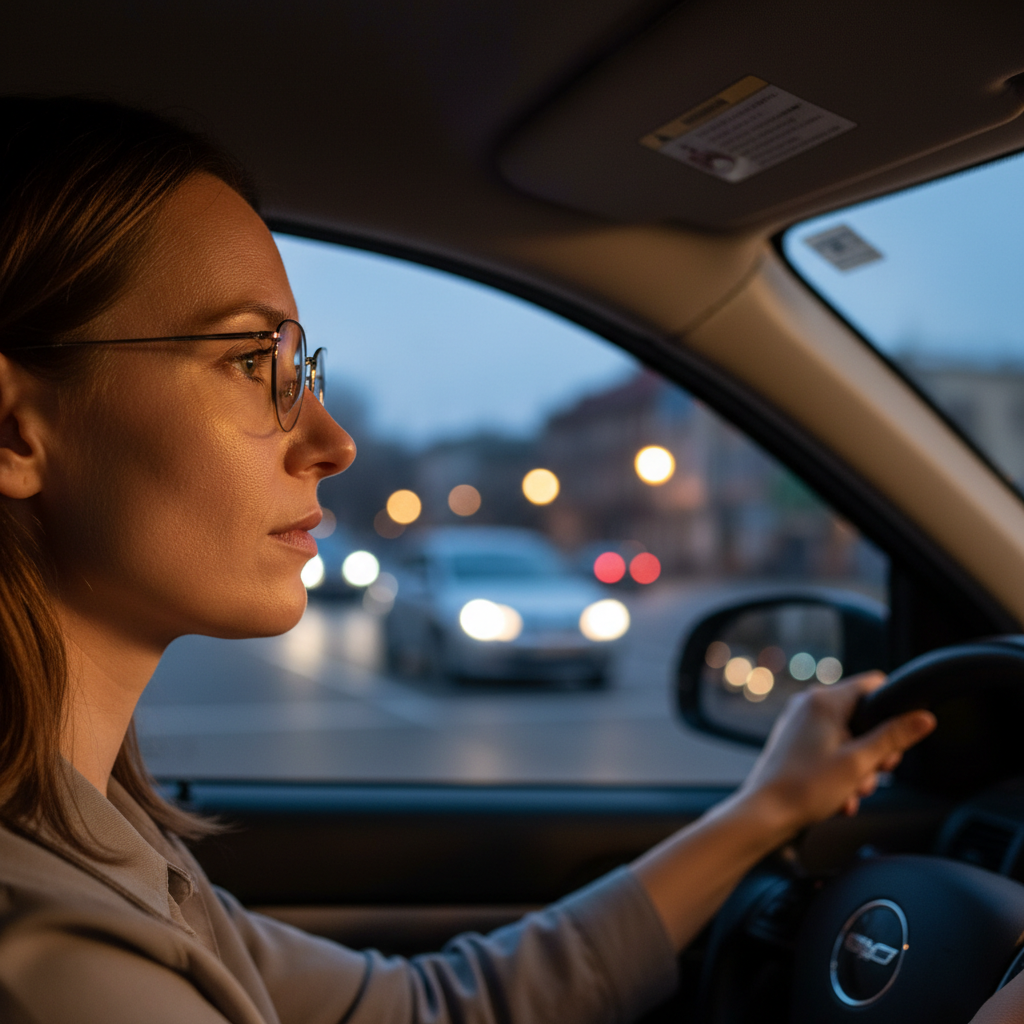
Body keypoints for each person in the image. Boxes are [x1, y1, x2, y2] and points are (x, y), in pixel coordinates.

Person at [0, 94, 974, 1023]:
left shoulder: (99, 842)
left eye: (302, 371)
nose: (332, 440)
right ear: (14, 430)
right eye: (252, 362)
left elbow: (431, 1008)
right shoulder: (54, 966)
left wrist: (770, 808)